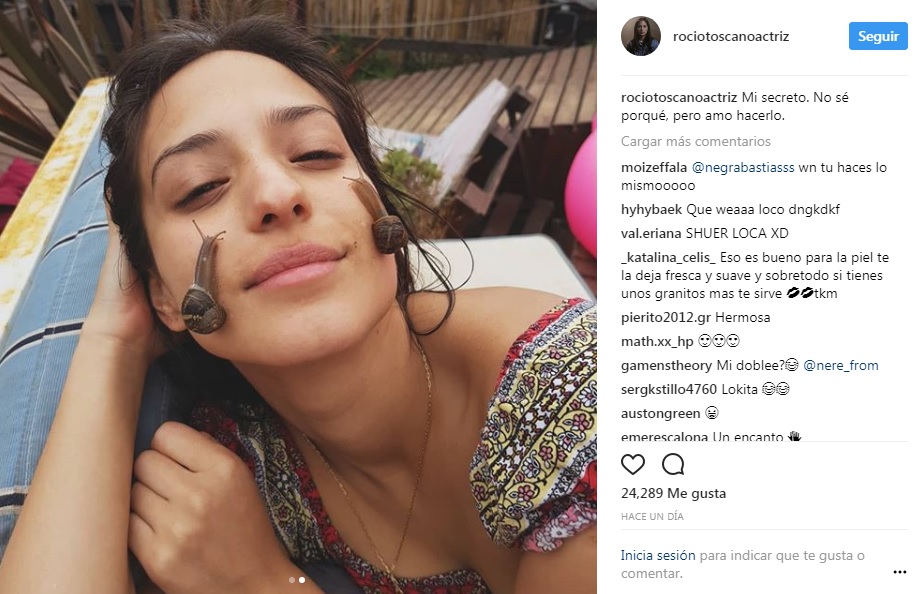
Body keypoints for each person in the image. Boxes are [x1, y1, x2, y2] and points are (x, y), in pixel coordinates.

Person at [0, 15, 596, 594]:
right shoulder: (244, 455)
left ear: (377, 204)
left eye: (314, 153)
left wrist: (260, 582)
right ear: (162, 295)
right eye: (201, 186)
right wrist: (113, 339)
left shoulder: (578, 393)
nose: (278, 193)